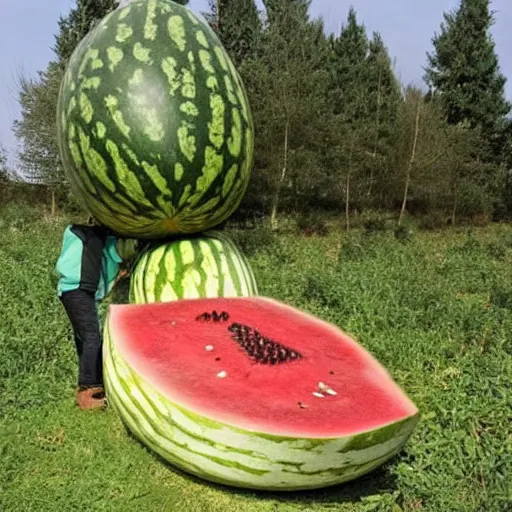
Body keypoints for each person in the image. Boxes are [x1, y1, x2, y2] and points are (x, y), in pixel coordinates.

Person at [55, 219, 139, 410]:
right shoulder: (77, 233)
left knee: (85, 338)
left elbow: (116, 253)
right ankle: (87, 389)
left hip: (82, 292)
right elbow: (88, 235)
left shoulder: (105, 245)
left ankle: (95, 385)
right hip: (75, 290)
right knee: (92, 337)